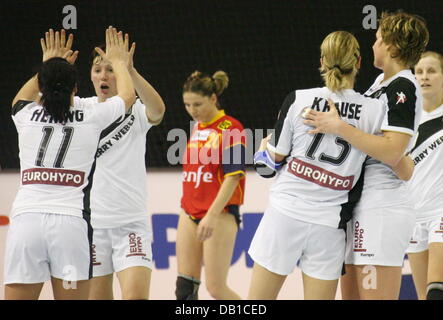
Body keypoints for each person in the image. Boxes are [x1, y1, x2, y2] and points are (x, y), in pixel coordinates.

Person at [247, 31, 386, 300]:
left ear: (322, 61)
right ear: (358, 62)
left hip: (285, 214)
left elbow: (267, 167)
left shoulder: (298, 99)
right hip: (329, 225)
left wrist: (262, 148)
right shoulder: (374, 110)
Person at [303, 11, 429, 299]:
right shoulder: (379, 84)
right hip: (359, 204)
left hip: (382, 206)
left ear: (393, 47)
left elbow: (393, 150)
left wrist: (339, 127)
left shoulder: (403, 87)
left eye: (377, 39)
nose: (373, 45)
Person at [3, 27, 135, 299]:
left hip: (26, 221)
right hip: (70, 226)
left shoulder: (26, 114)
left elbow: (19, 99)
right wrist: (120, 62)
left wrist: (49, 64)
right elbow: (127, 98)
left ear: (41, 86)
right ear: (76, 88)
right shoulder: (92, 116)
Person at [84, 31, 165, 300]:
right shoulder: (82, 110)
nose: (104, 76)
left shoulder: (136, 112)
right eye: (98, 70)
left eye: (111, 69)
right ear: (91, 76)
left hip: (130, 223)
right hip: (92, 224)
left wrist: (130, 69)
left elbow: (158, 111)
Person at [176, 70, 245, 300]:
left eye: (197, 104)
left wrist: (212, 215)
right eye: (187, 105)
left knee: (216, 288)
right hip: (189, 213)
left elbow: (233, 176)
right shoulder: (197, 128)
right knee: (185, 288)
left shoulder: (231, 127)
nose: (192, 111)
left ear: (213, 99)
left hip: (219, 214)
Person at [406, 51, 443, 300]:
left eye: (431, 71)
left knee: (436, 290)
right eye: (419, 72)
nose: (424, 77)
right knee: (423, 295)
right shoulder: (405, 119)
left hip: (440, 212)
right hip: (412, 216)